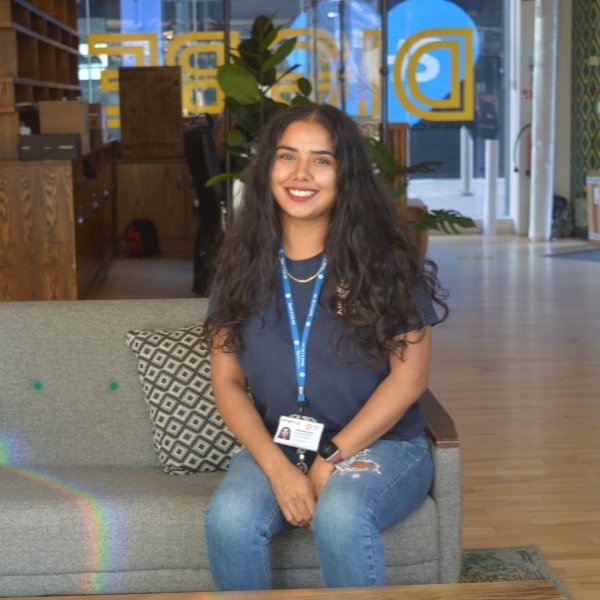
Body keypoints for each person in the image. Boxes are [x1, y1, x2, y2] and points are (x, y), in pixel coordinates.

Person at [202, 102, 448, 591]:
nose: (301, 174)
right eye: (287, 156)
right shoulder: (240, 268)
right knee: (228, 519)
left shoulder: (387, 264)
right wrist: (278, 469)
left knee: (340, 515)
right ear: (267, 167)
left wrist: (329, 459)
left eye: (322, 160)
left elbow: (410, 377)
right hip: (283, 443)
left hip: (384, 444)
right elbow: (227, 380)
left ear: (345, 175)